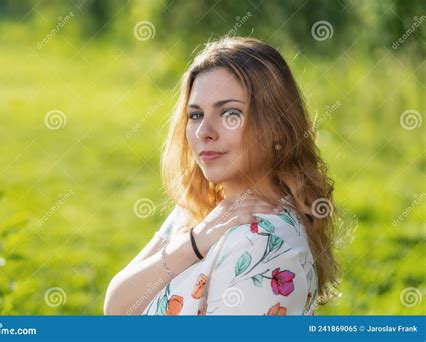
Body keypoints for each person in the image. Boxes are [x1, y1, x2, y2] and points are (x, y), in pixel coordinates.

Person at [104, 36, 339, 315]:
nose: (204, 131)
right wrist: (196, 241)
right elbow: (117, 306)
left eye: (229, 113)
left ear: (278, 126)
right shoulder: (201, 208)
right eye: (195, 115)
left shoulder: (264, 246)